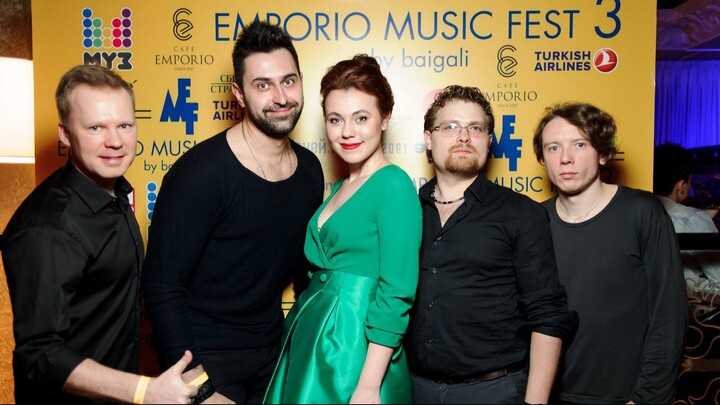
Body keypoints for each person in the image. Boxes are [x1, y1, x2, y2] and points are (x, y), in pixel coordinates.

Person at [141, 21, 324, 404]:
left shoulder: (310, 170)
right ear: (239, 94)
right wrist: (199, 388)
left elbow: (303, 274)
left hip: (273, 355)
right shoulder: (200, 174)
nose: (281, 97)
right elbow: (162, 287)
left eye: (288, 81)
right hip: (205, 358)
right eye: (263, 85)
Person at [0, 64, 197, 404]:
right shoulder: (48, 227)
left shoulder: (114, 194)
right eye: (95, 127)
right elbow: (41, 355)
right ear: (65, 134)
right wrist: (144, 390)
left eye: (124, 125)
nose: (115, 141)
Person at [263, 54, 422, 404]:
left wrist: (369, 385)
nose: (347, 132)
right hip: (316, 341)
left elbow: (396, 292)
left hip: (355, 352)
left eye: (361, 118)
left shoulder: (393, 185)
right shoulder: (340, 187)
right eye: (335, 120)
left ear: (385, 118)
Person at [406, 85, 576, 404]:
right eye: (450, 126)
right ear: (428, 139)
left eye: (475, 128)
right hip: (414, 390)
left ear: (488, 140)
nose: (463, 137)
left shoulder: (521, 213)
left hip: (494, 391)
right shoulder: (406, 213)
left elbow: (548, 314)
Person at [532, 102, 688, 403]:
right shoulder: (534, 221)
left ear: (603, 154)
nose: (565, 158)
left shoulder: (642, 212)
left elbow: (669, 316)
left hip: (625, 397)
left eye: (579, 144)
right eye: (553, 147)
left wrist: (645, 399)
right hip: (552, 395)